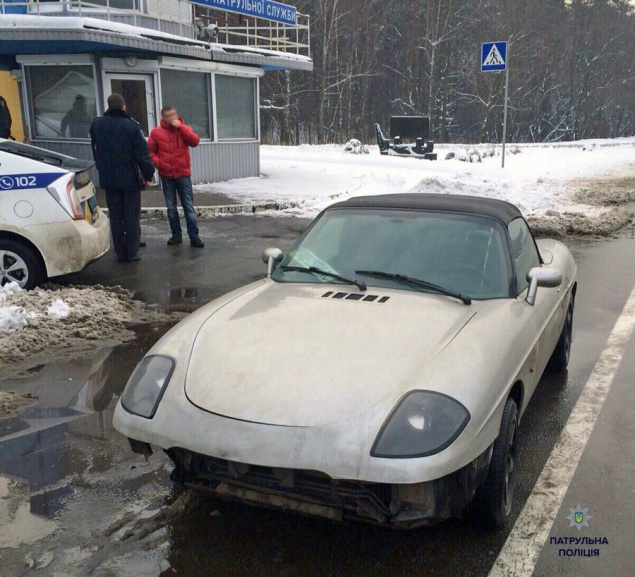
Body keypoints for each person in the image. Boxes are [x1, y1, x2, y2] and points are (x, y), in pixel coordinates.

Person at [90, 93, 155, 263]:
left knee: (116, 216)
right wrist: (149, 174)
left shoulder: (97, 124)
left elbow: (95, 150)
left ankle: (120, 251)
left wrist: (101, 169)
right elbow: (142, 154)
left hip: (109, 179)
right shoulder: (131, 126)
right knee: (131, 215)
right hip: (130, 179)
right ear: (123, 106)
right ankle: (132, 251)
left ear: (109, 106)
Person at [148, 106, 204, 248]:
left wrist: (181, 128)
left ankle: (194, 237)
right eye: (168, 115)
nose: (172, 117)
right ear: (163, 118)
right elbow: (150, 152)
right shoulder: (156, 133)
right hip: (166, 176)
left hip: (183, 174)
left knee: (188, 207)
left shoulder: (184, 129)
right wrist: (159, 163)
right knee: (171, 208)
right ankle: (176, 235)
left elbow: (195, 141)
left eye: (174, 114)